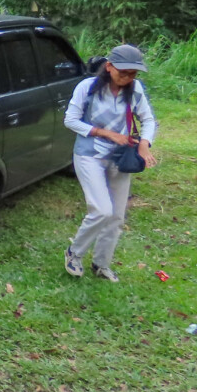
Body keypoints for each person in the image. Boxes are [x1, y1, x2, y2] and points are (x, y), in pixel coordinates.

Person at [62, 44, 158, 282]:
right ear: (109, 66)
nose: (127, 78)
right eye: (123, 72)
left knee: (116, 216)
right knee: (101, 210)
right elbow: (70, 121)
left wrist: (144, 144)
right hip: (89, 154)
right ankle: (74, 253)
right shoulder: (87, 88)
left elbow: (148, 120)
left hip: (120, 157)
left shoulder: (135, 90)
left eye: (133, 74)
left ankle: (101, 264)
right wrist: (105, 133)